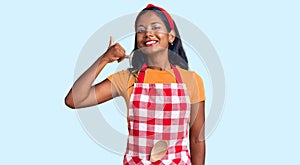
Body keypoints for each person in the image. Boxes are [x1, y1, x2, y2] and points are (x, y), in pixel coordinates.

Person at [65, 4, 206, 165]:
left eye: (155, 27)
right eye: (141, 30)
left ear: (171, 36)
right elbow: (73, 100)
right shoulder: (128, 78)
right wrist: (104, 59)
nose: (148, 33)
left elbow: (196, 139)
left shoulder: (192, 80)